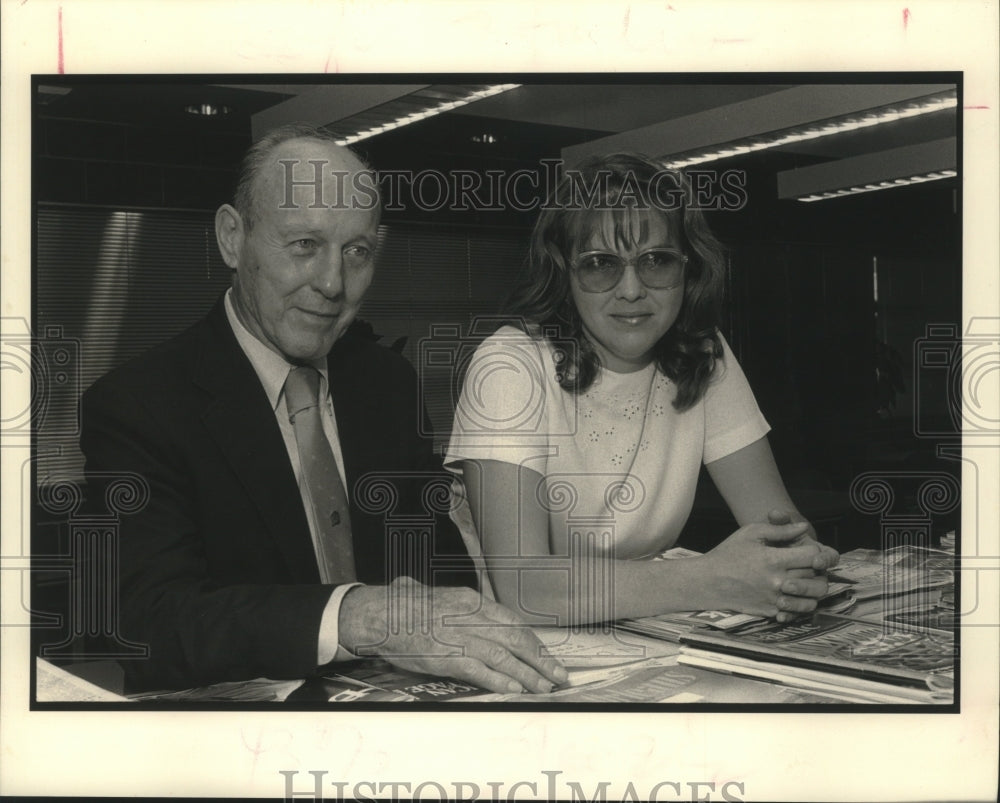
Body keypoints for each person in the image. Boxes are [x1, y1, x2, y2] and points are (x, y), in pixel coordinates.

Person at [78, 123, 566, 695]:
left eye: (356, 252)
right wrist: (359, 618)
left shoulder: (389, 385)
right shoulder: (139, 405)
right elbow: (150, 623)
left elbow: (441, 575)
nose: (333, 283)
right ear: (233, 238)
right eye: (304, 246)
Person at [444, 152, 839, 627]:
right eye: (599, 264)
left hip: (648, 630)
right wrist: (712, 577)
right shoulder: (509, 365)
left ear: (688, 270)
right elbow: (528, 590)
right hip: (522, 641)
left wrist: (792, 566)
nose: (631, 289)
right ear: (563, 274)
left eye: (656, 261)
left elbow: (789, 534)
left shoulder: (704, 354)